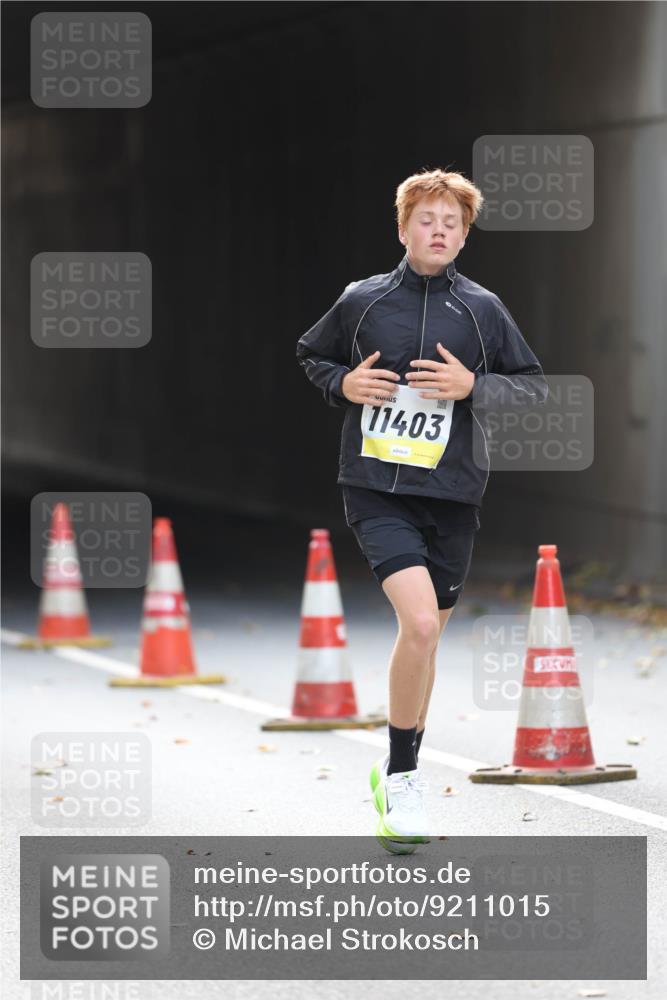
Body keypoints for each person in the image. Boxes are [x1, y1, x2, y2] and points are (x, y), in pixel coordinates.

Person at [296, 168, 547, 853]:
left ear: (464, 236)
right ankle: (403, 778)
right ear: (402, 228)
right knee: (419, 626)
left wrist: (473, 386)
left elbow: (530, 389)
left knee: (424, 639)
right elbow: (311, 355)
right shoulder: (363, 300)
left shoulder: (483, 310)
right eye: (426, 219)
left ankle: (396, 773)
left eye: (451, 223)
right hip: (375, 489)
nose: (438, 231)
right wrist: (343, 382)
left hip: (453, 496)